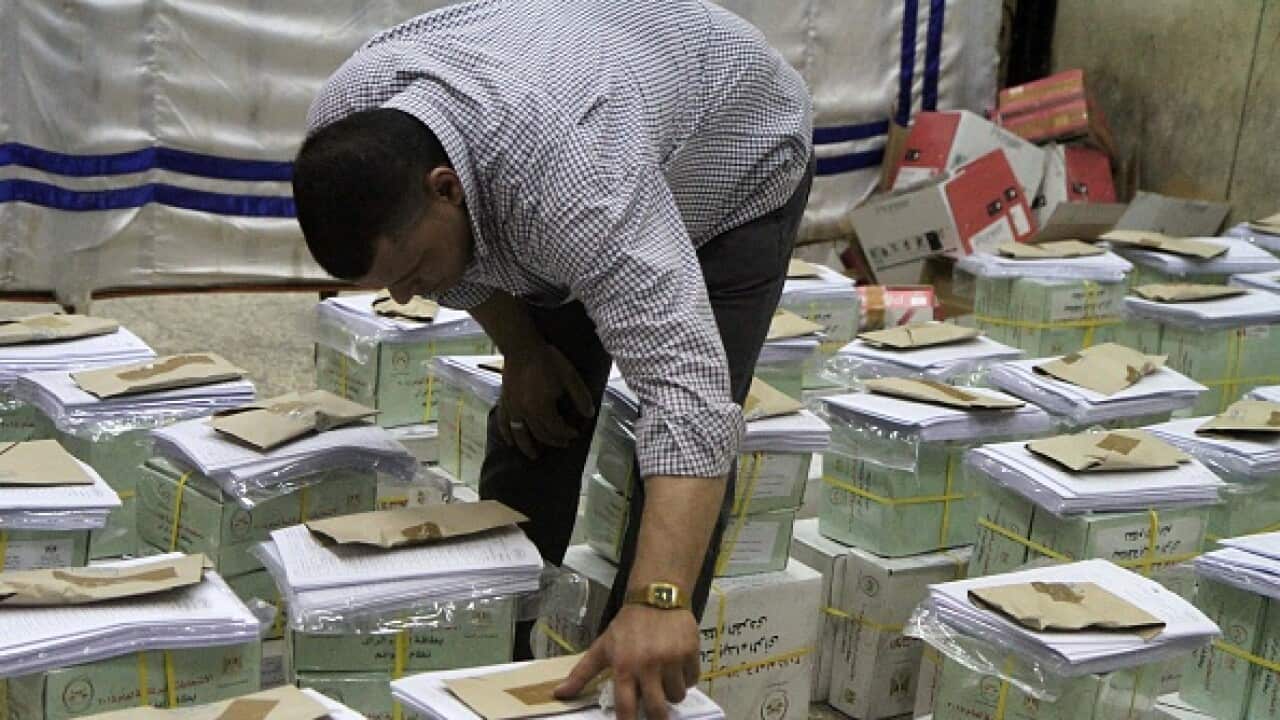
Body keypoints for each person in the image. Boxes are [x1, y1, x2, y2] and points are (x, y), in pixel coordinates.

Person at [291, 1, 811, 717]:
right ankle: (492, 676)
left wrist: (658, 599)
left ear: (444, 188)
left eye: (412, 271)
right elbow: (476, 276)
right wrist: (524, 349)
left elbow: (687, 393)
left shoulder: (574, 189)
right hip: (586, 117)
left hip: (734, 150)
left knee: (676, 457)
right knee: (536, 415)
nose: (406, 297)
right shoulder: (349, 122)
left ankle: (640, 681)